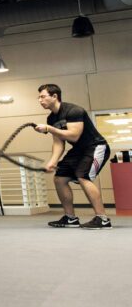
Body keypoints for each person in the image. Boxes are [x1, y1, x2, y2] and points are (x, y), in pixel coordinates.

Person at [35, 83, 112, 230]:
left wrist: (49, 129)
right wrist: (52, 161)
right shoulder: (51, 118)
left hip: (95, 146)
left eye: (43, 97)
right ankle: (70, 218)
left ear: (54, 96)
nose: (40, 100)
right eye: (38, 97)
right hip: (78, 150)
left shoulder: (73, 111)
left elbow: (74, 136)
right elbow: (58, 143)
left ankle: (102, 219)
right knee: (60, 178)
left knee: (83, 176)